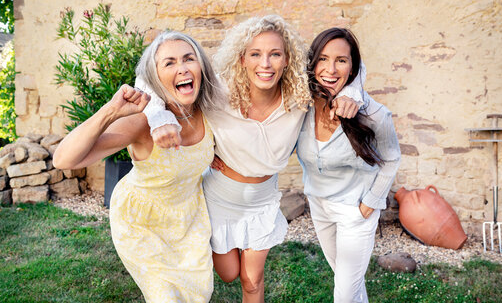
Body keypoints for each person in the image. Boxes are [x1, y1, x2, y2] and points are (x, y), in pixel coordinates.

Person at [137, 16, 362, 303]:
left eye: (275, 54)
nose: (265, 64)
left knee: (251, 280)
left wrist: (353, 92)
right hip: (220, 196)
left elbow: (346, 70)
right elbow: (146, 79)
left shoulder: (300, 95)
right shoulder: (218, 91)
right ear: (242, 59)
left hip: (262, 201)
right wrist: (158, 117)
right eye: (255, 54)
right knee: (229, 273)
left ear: (287, 59)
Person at [53, 31, 224, 303]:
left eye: (188, 59)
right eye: (169, 63)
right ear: (154, 77)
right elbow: (63, 159)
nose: (182, 68)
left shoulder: (210, 112)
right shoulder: (142, 124)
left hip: (189, 219)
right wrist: (110, 110)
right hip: (141, 221)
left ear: (200, 66)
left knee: (197, 296)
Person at [296, 28, 401, 302]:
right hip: (319, 207)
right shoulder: (302, 106)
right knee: (348, 285)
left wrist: (370, 203)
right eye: (322, 59)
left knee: (343, 294)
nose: (330, 69)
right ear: (312, 62)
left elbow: (392, 159)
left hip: (356, 211)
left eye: (341, 60)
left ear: (353, 66)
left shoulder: (373, 113)